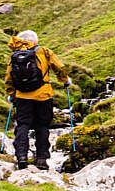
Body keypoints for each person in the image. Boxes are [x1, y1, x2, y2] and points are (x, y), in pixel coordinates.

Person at [5, 30, 70, 170]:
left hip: (22, 97)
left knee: (22, 125)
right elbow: (59, 67)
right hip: (43, 96)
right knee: (42, 126)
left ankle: (21, 156)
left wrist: (11, 94)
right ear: (34, 41)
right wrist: (65, 81)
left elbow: (9, 77)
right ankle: (41, 159)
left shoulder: (15, 55)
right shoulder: (44, 51)